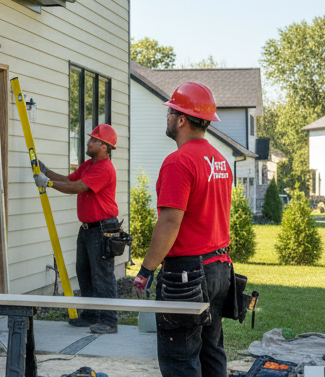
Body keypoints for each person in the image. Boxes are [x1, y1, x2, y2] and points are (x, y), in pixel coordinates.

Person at [132, 82, 232, 377]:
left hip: (186, 277)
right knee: (212, 352)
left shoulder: (179, 162)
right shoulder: (220, 161)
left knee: (181, 359)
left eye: (170, 112)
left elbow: (169, 222)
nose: (167, 118)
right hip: (219, 269)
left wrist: (146, 271)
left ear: (181, 119)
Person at [35, 124, 120, 334]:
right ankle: (91, 314)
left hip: (102, 229)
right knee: (84, 272)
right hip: (89, 229)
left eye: (93, 140)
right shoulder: (89, 165)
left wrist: (47, 184)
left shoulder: (104, 169)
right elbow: (69, 180)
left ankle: (109, 320)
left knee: (102, 275)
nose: (89, 142)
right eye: (90, 138)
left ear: (104, 147)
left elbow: (78, 188)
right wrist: (46, 172)